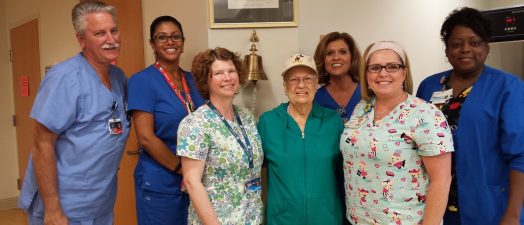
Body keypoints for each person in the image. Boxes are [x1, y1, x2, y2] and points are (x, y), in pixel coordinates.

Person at [18, 1, 129, 224]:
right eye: (100, 33)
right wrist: (52, 209)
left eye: (113, 30)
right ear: (81, 39)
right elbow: (42, 144)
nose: (111, 39)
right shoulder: (64, 78)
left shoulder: (118, 78)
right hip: (65, 205)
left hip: (100, 202)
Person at [416, 7, 524, 225]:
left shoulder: (508, 88)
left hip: (489, 206)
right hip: (435, 205)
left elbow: (520, 156)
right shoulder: (429, 86)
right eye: (456, 44)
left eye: (474, 42)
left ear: (486, 47)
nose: (465, 49)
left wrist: (513, 214)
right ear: (446, 51)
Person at [341, 41, 453, 224]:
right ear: (366, 75)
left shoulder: (425, 114)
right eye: (375, 67)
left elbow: (441, 181)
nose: (383, 73)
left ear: (404, 73)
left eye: (392, 66)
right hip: (357, 220)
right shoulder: (362, 108)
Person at [128, 16, 205, 225]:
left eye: (175, 37)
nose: (170, 42)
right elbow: (146, 138)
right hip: (162, 183)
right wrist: (182, 170)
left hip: (195, 181)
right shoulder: (142, 81)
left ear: (183, 41)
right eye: (162, 37)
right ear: (152, 43)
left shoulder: (194, 81)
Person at [177, 47, 263, 225]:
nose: (228, 78)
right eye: (218, 73)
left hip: (250, 218)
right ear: (205, 80)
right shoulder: (195, 124)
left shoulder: (246, 117)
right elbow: (192, 183)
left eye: (231, 71)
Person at [258, 54, 345, 225]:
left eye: (308, 79)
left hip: (326, 218)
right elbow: (254, 171)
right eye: (293, 79)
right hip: (282, 219)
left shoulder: (333, 121)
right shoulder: (268, 122)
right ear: (284, 86)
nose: (301, 85)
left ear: (316, 83)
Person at [314, 32, 362, 123]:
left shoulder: (368, 94)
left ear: (352, 57)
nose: (336, 57)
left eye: (343, 52)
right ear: (322, 60)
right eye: (329, 53)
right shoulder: (315, 99)